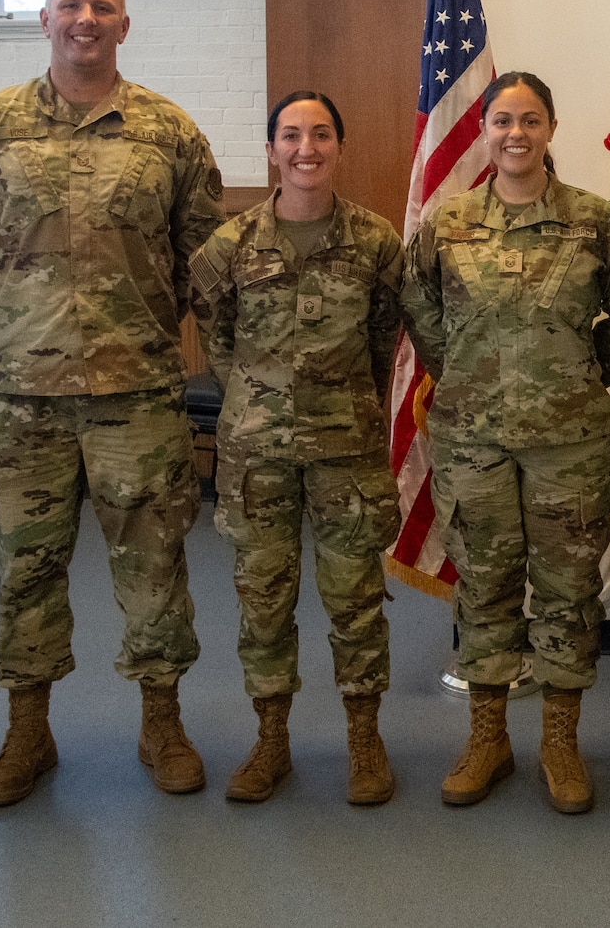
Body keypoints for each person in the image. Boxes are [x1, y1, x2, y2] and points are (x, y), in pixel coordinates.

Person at [0, 0, 226, 805]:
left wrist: (155, 321)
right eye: (71, 5)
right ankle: (28, 730)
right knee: (26, 567)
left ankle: (161, 721)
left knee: (156, 564)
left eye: (103, 7)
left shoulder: (168, 131)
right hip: (23, 398)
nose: (85, 18)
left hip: (136, 392)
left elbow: (204, 250)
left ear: (124, 26)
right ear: (45, 20)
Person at [401, 72, 610, 815]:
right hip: (475, 444)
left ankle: (561, 744)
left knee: (568, 592)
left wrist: (572, 378)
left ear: (552, 127)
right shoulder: (450, 221)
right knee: (485, 586)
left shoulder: (593, 221)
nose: (516, 134)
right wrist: (471, 377)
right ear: (485, 130)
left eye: (530, 120)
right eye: (502, 120)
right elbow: (422, 310)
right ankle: (488, 738)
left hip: (570, 444)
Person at [189, 91, 404, 806]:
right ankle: (271, 739)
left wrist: (345, 401)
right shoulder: (230, 244)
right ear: (272, 149)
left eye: (319, 134)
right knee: (264, 601)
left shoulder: (375, 241)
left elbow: (382, 339)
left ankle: (364, 739)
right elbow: (216, 335)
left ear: (339, 145)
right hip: (257, 455)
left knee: (357, 600)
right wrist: (255, 395)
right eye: (290, 135)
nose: (305, 147)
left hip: (348, 450)